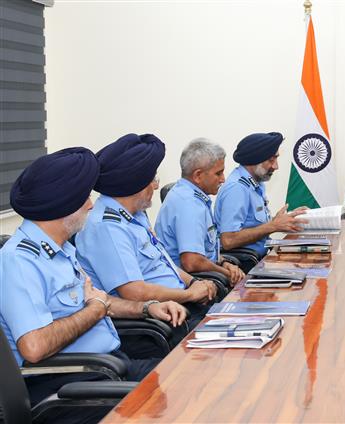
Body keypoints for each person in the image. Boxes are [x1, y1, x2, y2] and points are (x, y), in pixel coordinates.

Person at [0, 147, 187, 417]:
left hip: (107, 370)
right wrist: (95, 310)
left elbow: (98, 299)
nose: (91, 204)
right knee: (181, 405)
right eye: (84, 198)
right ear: (62, 204)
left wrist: (147, 308)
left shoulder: (61, 248)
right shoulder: (20, 260)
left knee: (187, 377)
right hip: (70, 389)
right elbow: (34, 346)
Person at [76, 133, 219, 333]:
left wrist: (194, 282)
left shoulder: (136, 214)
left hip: (180, 305)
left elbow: (163, 263)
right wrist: (190, 295)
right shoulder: (107, 227)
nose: (157, 185)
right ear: (135, 184)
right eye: (152, 179)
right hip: (163, 321)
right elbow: (134, 292)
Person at [155, 138, 245, 285]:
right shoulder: (189, 204)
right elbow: (192, 262)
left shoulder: (190, 195)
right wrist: (226, 274)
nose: (223, 179)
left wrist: (224, 264)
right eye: (218, 173)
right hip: (189, 286)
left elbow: (205, 252)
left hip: (202, 277)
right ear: (197, 175)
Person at [214, 132, 307, 260]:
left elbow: (252, 226)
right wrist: (273, 226)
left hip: (263, 256)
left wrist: (277, 221)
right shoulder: (237, 188)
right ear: (254, 159)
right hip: (244, 265)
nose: (276, 166)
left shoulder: (257, 182)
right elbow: (228, 240)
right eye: (271, 160)